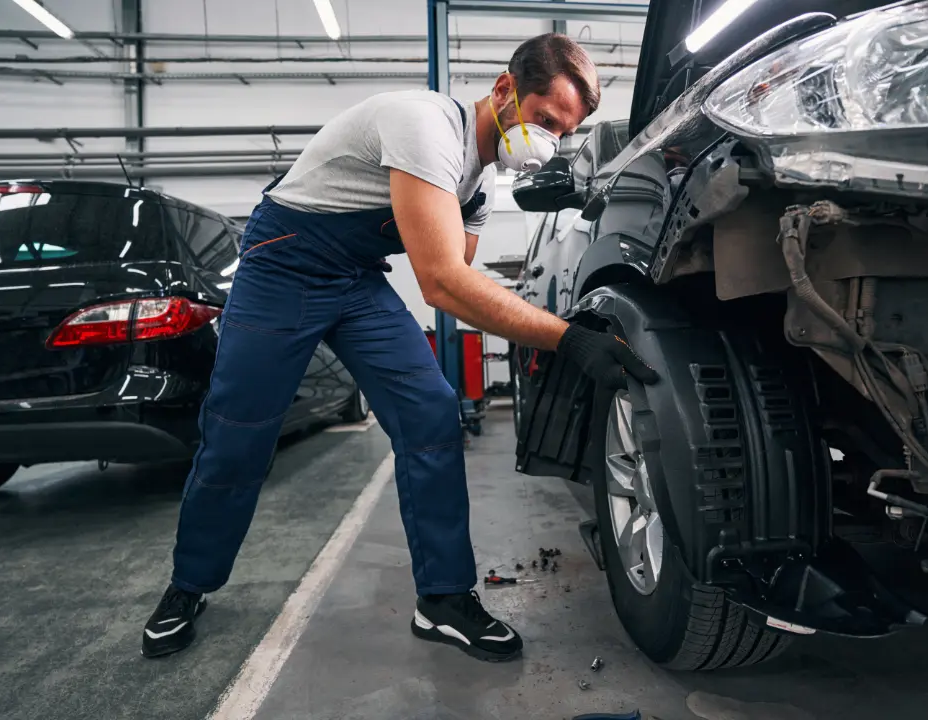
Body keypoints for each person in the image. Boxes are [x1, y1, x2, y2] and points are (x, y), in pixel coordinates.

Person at [141, 32, 657, 664]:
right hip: (282, 266)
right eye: (545, 120)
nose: (550, 140)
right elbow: (442, 284)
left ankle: (442, 599)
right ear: (504, 90)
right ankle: (188, 584)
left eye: (563, 131)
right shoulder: (425, 125)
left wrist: (553, 323)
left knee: (431, 414)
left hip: (353, 279)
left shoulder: (478, 189)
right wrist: (567, 339)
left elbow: (462, 276)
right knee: (239, 431)